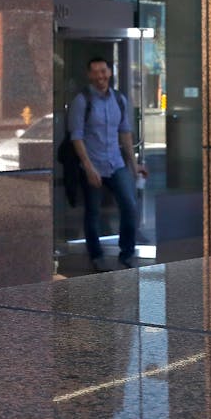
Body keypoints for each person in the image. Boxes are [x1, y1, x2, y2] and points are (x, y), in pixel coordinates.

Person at [68, 56, 146, 272]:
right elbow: (77, 136)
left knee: (130, 206)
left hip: (116, 163)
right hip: (92, 165)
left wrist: (134, 164)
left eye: (103, 71)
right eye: (95, 72)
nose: (100, 76)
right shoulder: (82, 101)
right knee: (92, 212)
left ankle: (127, 253)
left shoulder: (119, 99)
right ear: (89, 75)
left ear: (110, 73)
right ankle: (96, 256)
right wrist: (89, 167)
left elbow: (125, 134)